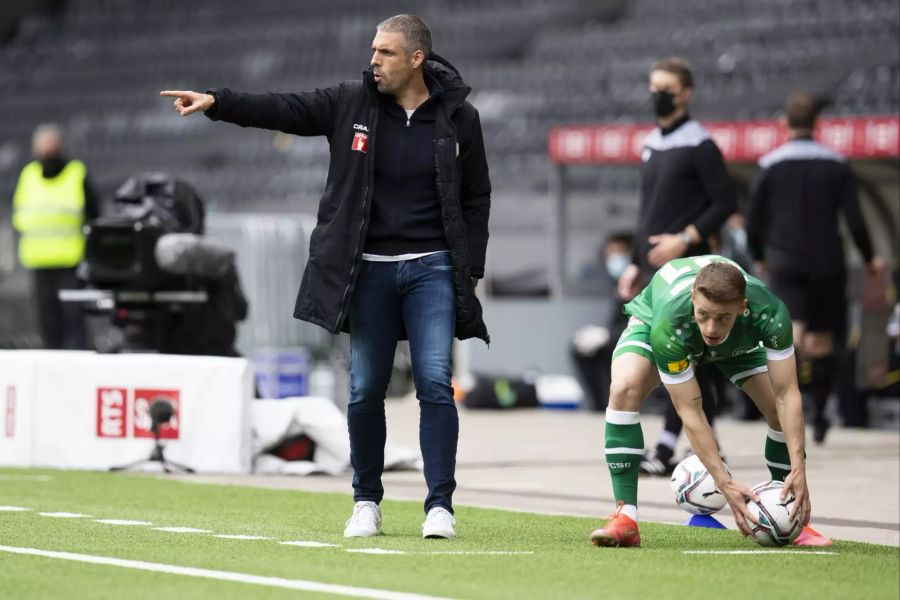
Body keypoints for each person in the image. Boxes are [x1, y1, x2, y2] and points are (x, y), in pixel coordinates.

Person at [161, 14, 490, 539]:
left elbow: (476, 196)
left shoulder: (459, 118)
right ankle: (366, 501)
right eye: (372, 50)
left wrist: (468, 268)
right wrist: (218, 102)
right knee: (364, 391)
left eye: (385, 52)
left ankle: (440, 507)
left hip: (431, 268)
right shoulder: (350, 103)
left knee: (434, 384)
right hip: (369, 273)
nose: (373, 61)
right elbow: (284, 109)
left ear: (415, 59)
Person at [590, 256, 831, 547]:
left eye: (722, 317)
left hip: (738, 342)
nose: (711, 328)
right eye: (704, 314)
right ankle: (625, 518)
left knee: (778, 413)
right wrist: (725, 483)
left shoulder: (769, 312)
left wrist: (799, 467)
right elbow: (690, 410)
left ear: (742, 308)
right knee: (624, 388)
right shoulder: (671, 322)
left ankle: (790, 516)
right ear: (694, 298)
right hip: (664, 323)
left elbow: (787, 393)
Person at [616, 57, 737, 476]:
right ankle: (708, 445)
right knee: (680, 357)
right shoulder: (652, 142)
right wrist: (634, 262)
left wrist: (683, 239)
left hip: (688, 269)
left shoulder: (700, 144)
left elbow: (725, 202)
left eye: (665, 87)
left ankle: (667, 446)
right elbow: (646, 211)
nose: (657, 95)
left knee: (678, 354)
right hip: (653, 271)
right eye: (653, 86)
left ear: (686, 93)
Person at [746, 92, 883, 444]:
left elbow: (754, 220)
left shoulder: (770, 164)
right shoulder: (836, 164)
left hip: (786, 260)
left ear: (785, 123)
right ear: (816, 124)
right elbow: (855, 219)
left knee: (789, 337)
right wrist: (869, 258)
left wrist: (757, 253)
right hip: (826, 262)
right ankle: (821, 413)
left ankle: (786, 412)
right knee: (822, 340)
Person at [12, 123, 99, 349]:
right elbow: (20, 215)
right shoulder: (28, 175)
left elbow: (93, 214)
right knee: (48, 322)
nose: (47, 152)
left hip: (70, 262)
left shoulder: (76, 173)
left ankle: (77, 363)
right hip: (39, 263)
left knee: (74, 320)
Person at [571, 232, 633, 411]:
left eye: (619, 253)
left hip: (638, 339)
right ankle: (600, 404)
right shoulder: (617, 285)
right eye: (610, 254)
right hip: (617, 338)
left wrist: (608, 336)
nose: (614, 259)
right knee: (582, 350)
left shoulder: (641, 281)